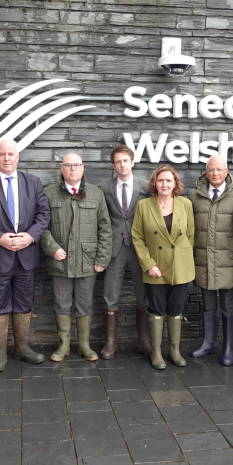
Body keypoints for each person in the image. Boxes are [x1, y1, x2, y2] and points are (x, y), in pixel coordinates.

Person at [0, 139, 51, 372]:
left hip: (27, 255)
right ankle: (0, 350)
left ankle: (22, 347)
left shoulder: (33, 183)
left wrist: (31, 236)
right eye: (2, 154)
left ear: (18, 157)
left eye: (11, 154)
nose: (6, 158)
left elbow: (44, 215)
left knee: (24, 302)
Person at [41, 153, 113, 362]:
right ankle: (63, 345)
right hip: (59, 260)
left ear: (83, 168)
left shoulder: (96, 194)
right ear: (61, 168)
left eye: (77, 165)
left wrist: (102, 258)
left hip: (87, 261)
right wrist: (52, 247)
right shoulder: (48, 194)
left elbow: (105, 229)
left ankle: (84, 345)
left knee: (85, 304)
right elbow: (40, 227)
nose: (73, 169)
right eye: (68, 165)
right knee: (61, 304)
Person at [131, 165, 195, 370]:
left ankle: (174, 350)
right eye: (161, 180)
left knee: (176, 308)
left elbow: (191, 234)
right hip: (155, 266)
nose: (165, 184)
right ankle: (156, 352)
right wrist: (149, 264)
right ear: (154, 183)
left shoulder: (185, 204)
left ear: (175, 183)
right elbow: (137, 237)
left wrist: (182, 257)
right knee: (156, 309)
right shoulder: (143, 205)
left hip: (180, 265)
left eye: (169, 180)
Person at [188, 155, 233, 366]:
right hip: (203, 259)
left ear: (227, 171)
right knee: (208, 302)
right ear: (206, 172)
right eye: (211, 169)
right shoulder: (194, 196)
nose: (215, 173)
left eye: (219, 169)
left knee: (227, 304)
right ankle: (208, 343)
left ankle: (228, 347)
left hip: (227, 260)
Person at [99, 145, 151, 359]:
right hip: (114, 248)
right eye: (118, 161)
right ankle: (110, 343)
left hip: (140, 247)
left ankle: (143, 340)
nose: (122, 164)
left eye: (125, 161)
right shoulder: (104, 187)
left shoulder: (146, 186)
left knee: (144, 295)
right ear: (114, 165)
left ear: (132, 162)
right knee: (110, 295)